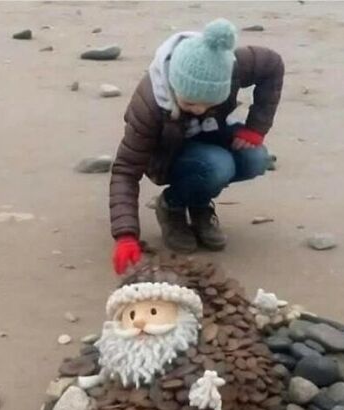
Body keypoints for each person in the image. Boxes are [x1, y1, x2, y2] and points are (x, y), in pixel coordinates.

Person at [110, 18, 284, 274]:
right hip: (169, 156)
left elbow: (273, 65)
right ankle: (172, 205)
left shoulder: (228, 65)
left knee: (255, 158)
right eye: (191, 103)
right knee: (217, 166)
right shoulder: (150, 104)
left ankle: (199, 203)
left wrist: (256, 128)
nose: (200, 109)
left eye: (210, 103)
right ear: (174, 85)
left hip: (213, 134)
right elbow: (125, 169)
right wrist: (125, 235)